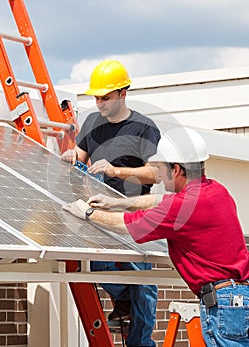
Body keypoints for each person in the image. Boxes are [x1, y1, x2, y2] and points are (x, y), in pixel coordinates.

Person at [62, 126, 249, 347]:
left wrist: (88, 213)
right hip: (238, 298)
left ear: (176, 169)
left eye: (160, 169)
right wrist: (119, 202)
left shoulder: (182, 207)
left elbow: (129, 225)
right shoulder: (216, 191)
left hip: (224, 304)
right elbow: (160, 200)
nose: (158, 176)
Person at [62, 59, 161, 347]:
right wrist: (72, 159)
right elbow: (78, 157)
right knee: (95, 263)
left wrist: (116, 171)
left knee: (141, 279)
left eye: (105, 97)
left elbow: (154, 172)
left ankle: (140, 342)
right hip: (99, 210)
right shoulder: (92, 122)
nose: (100, 103)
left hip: (133, 212)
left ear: (123, 93)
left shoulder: (144, 127)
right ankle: (124, 299)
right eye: (96, 97)